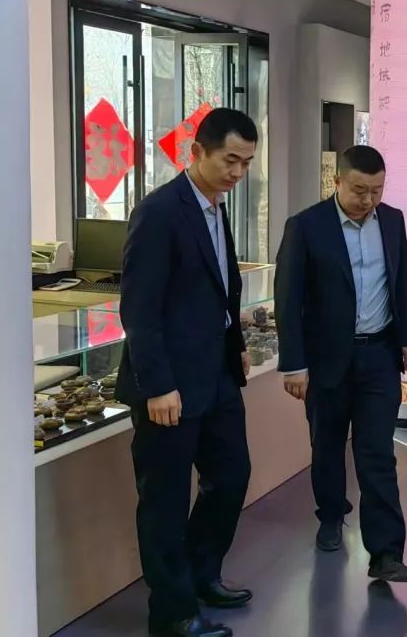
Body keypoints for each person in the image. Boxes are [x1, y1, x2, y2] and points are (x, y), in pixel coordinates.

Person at [116, 108, 258, 637]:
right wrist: (158, 385)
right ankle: (172, 613)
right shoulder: (159, 212)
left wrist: (236, 345)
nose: (238, 172)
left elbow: (222, 290)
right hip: (169, 385)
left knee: (232, 476)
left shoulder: (216, 207)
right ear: (196, 152)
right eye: (230, 160)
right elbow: (140, 308)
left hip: (216, 373)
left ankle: (202, 573)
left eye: (246, 163)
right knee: (165, 502)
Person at [275, 145, 407, 583]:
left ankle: (386, 552)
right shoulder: (306, 226)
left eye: (377, 190)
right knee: (327, 444)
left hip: (379, 354)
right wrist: (294, 364)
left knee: (377, 452)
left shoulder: (392, 220)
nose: (368, 200)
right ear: (336, 181)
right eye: (359, 190)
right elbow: (287, 299)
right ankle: (331, 515)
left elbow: (401, 280)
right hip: (326, 359)